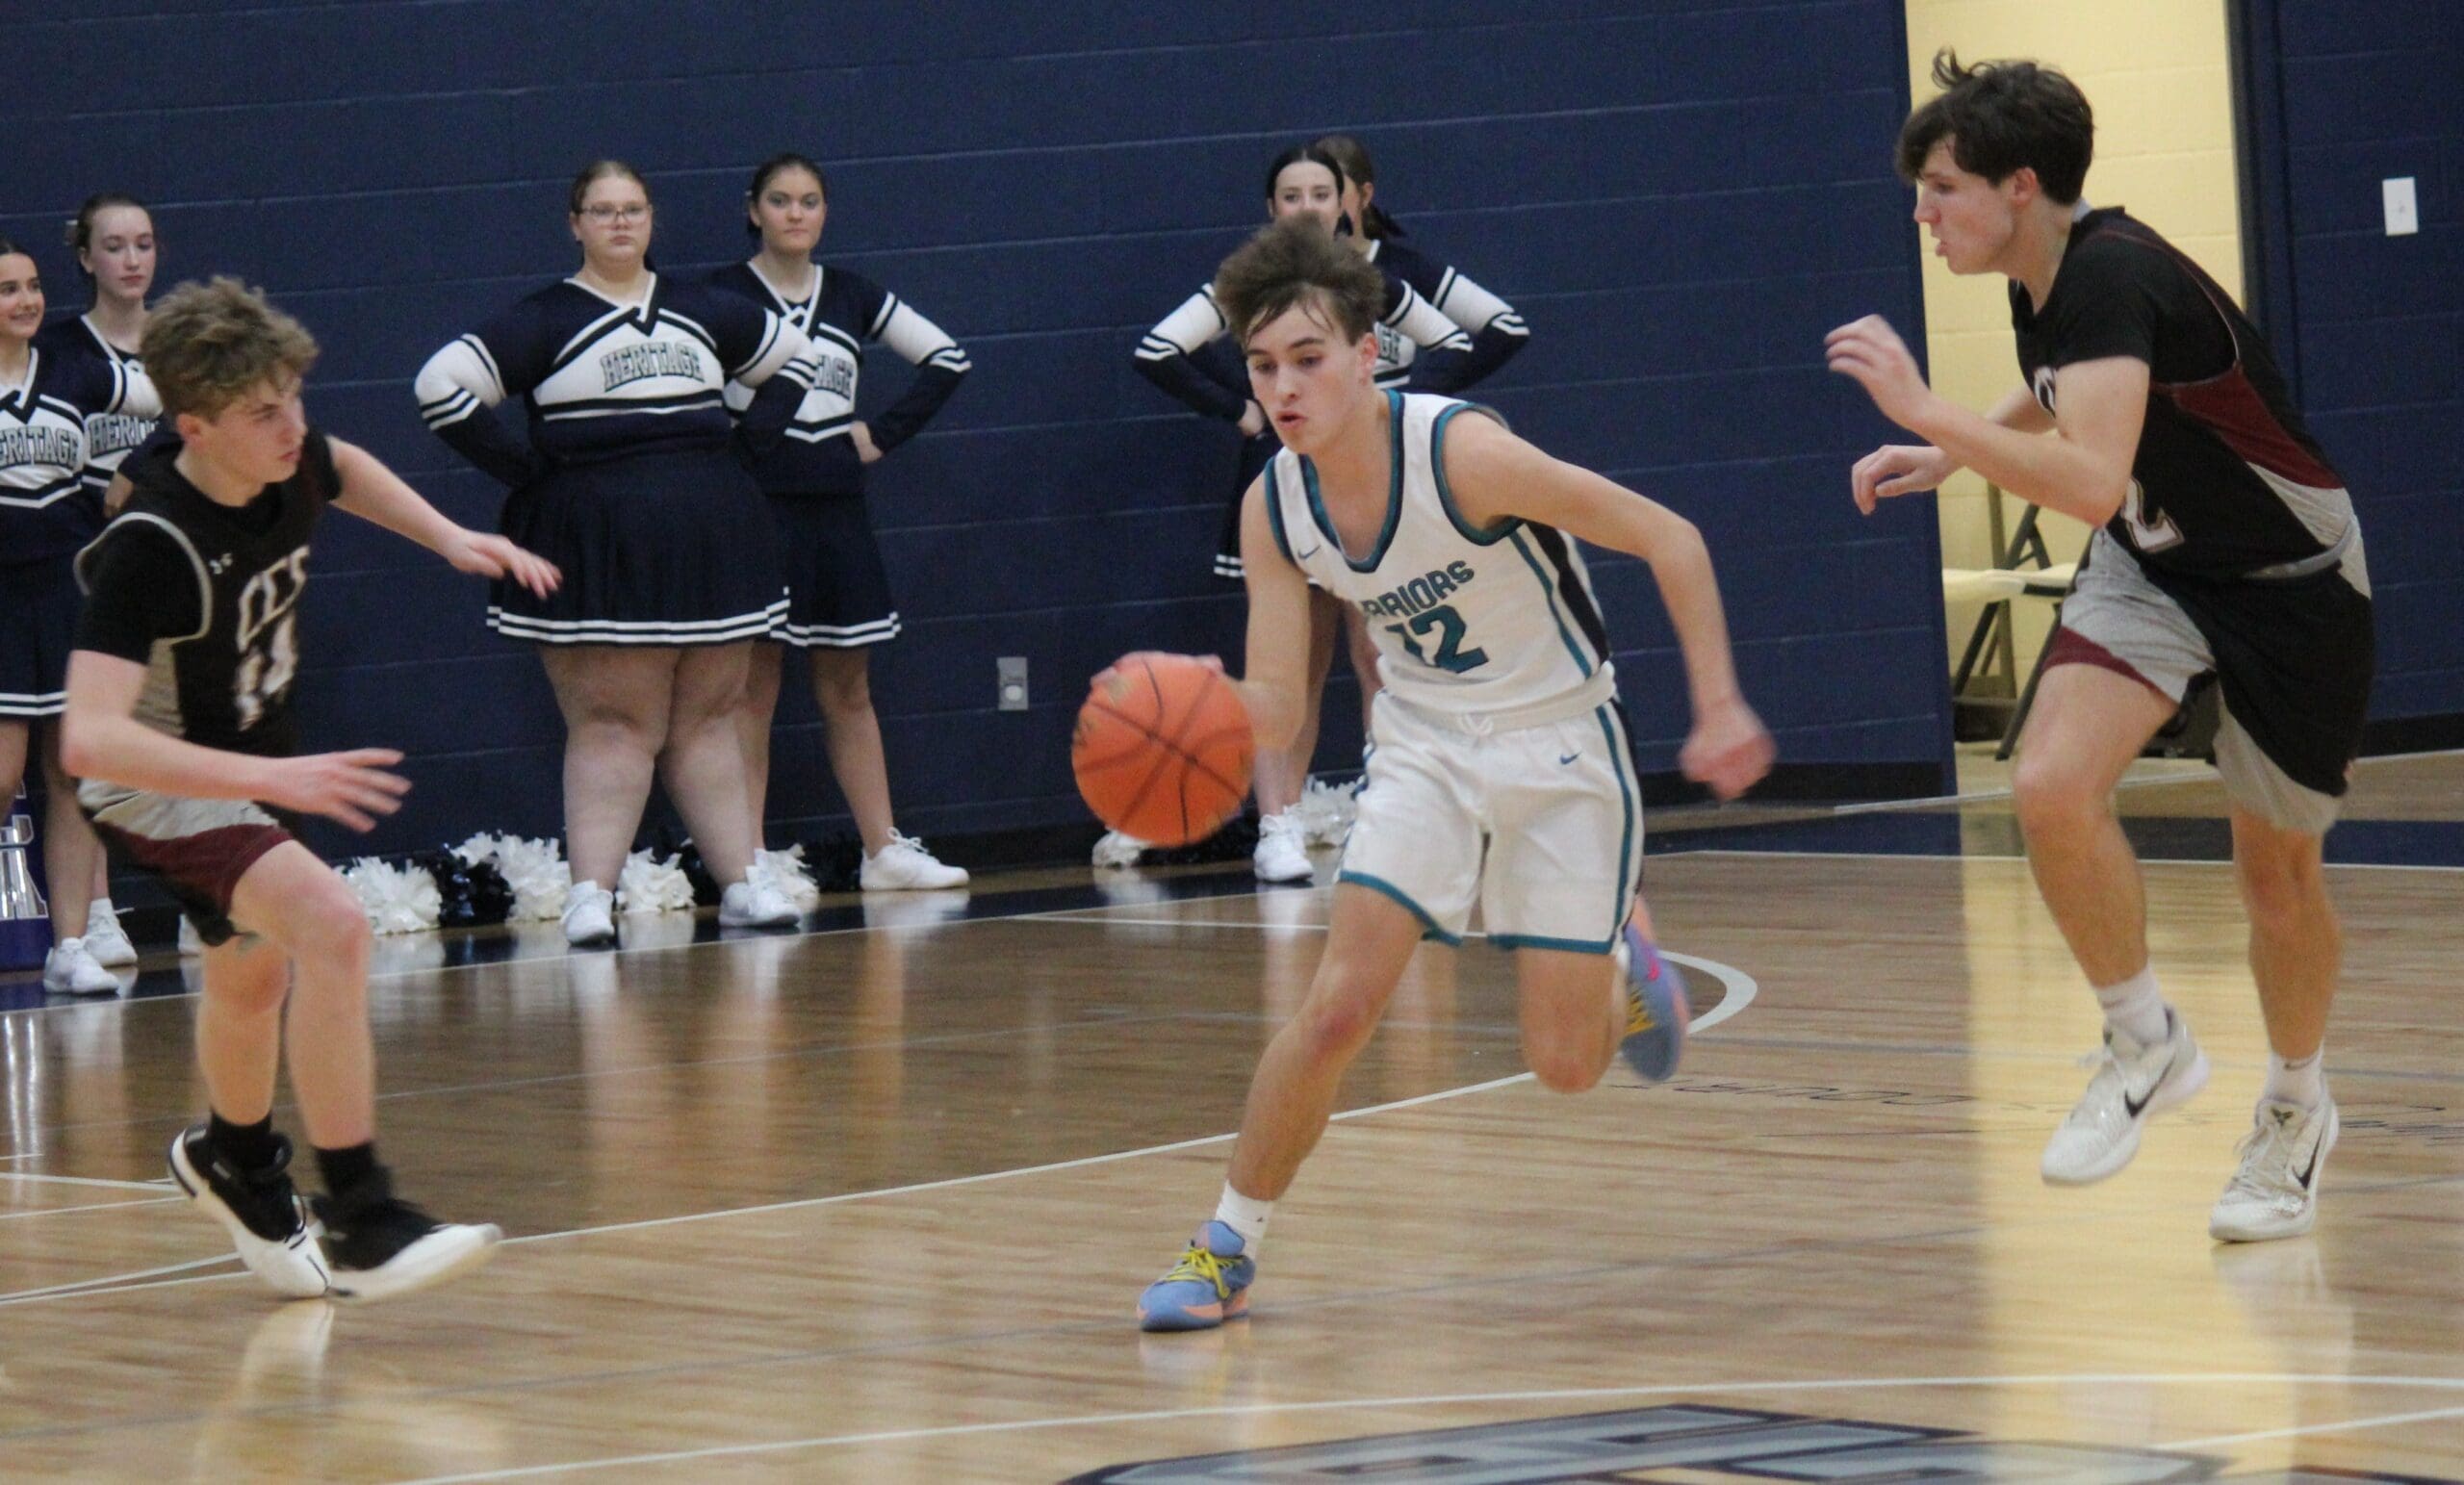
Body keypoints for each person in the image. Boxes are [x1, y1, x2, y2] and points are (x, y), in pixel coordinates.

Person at [1134, 218, 1772, 1331]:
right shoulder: (1273, 503)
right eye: (1262, 365)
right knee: (1338, 1007)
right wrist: (1191, 706)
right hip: (1424, 745)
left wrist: (1718, 706)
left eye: (1307, 359)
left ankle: (1624, 953)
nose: (1283, 388)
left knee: (1565, 1067)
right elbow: (1279, 703)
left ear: (1366, 354)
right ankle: (1226, 1242)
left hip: (1559, 740)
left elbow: (1670, 537)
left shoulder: (1463, 456)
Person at [1828, 52, 2373, 1242]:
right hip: (2154, 565)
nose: (1922, 214)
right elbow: (2063, 395)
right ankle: (2143, 1038)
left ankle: (2295, 1107)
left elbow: (2082, 479)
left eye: (1941, 189)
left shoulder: (2114, 273)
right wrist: (1954, 452)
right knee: (2048, 783)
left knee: (2275, 882)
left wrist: (1926, 410)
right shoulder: (2044, 277)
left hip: (2289, 586)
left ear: (2020, 186)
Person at [64, 276, 552, 1298]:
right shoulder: (149, 547)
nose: (292, 427)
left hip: (248, 759)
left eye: (294, 397)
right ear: (195, 428)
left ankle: (235, 1159)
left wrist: (449, 536)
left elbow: (344, 465)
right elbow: (91, 738)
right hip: (156, 782)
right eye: (262, 412)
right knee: (332, 925)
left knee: (252, 972)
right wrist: (266, 777)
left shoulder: (287, 462)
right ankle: (364, 1214)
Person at [416, 161, 813, 945]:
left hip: (713, 533)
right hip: (601, 542)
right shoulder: (545, 318)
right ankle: (590, 897)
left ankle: (741, 882)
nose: (620, 223)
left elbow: (797, 360)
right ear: (575, 224)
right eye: (602, 211)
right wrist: (534, 471)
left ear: (652, 219)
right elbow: (440, 386)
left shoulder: (702, 308)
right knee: (613, 723)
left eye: (632, 209)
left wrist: (746, 451)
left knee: (710, 718)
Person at [1131, 143, 1481, 883]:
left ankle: (1392, 817)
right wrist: (1242, 411)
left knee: (1380, 658)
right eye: (1291, 195)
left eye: (1321, 193)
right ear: (1272, 209)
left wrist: (1392, 413)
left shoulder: (1367, 282)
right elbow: (1157, 348)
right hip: (1285, 482)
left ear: (1347, 200)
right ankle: (1278, 825)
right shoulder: (1245, 285)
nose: (1307, 207)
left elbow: (1457, 341)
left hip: (1369, 482)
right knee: (1290, 668)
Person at [711, 153, 971, 893]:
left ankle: (882, 850)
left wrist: (880, 434)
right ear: (754, 210)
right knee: (752, 689)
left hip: (837, 505)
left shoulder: (853, 295)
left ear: (825, 212)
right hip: (757, 506)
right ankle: (748, 861)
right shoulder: (722, 296)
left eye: (809, 200)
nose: (795, 213)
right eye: (780, 200)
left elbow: (947, 358)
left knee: (849, 686)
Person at [0, 234, 157, 993]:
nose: (26, 300)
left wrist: (137, 468)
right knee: (3, 776)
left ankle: (69, 946)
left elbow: (178, 399)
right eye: (8, 289)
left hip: (66, 593)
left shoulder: (72, 374)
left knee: (71, 772)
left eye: (32, 286)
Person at [35, 193, 167, 970]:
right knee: (89, 741)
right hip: (82, 558)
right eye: (114, 245)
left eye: (143, 243)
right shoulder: (58, 351)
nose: (131, 259)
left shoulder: (184, 344)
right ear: (85, 257)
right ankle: (99, 908)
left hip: (166, 556)